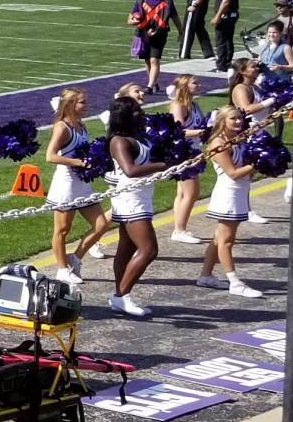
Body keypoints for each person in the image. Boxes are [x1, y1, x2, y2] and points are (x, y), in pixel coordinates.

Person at [43, 87, 110, 286]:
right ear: (71, 105)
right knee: (63, 229)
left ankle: (75, 258)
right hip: (66, 184)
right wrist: (79, 163)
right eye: (82, 102)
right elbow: (50, 156)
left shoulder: (81, 125)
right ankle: (62, 269)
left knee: (101, 224)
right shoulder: (62, 127)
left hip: (82, 183)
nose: (86, 105)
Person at [102, 95, 160, 317]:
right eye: (136, 110)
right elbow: (130, 170)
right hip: (130, 199)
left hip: (142, 196)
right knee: (149, 250)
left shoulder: (138, 137)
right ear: (124, 115)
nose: (141, 112)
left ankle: (121, 295)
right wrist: (163, 165)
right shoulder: (119, 141)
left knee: (126, 248)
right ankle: (120, 296)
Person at [195, 109, 263, 298]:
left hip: (239, 194)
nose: (238, 121)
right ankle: (234, 282)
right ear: (222, 121)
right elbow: (232, 173)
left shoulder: (238, 139)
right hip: (228, 196)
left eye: (240, 118)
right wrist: (259, 164)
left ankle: (206, 276)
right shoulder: (219, 143)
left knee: (219, 239)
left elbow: (244, 171)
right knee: (226, 241)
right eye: (233, 118)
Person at [164, 77, 210, 251]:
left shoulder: (194, 105)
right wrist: (202, 131)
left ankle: (179, 227)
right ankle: (179, 230)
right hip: (183, 152)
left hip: (194, 150)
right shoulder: (179, 106)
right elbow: (178, 132)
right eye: (194, 83)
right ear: (184, 86)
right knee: (191, 193)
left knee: (182, 193)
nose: (198, 85)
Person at [128, 0, 176, 92]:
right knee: (147, 60)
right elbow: (129, 19)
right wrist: (133, 21)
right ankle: (153, 82)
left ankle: (149, 86)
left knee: (155, 60)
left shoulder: (167, 0)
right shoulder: (141, 0)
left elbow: (174, 17)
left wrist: (181, 31)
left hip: (159, 33)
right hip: (142, 33)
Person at [211, 0, 241, 71]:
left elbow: (226, 1)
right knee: (227, 40)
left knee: (221, 40)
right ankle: (226, 63)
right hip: (229, 15)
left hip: (226, 16)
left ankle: (222, 65)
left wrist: (217, 16)